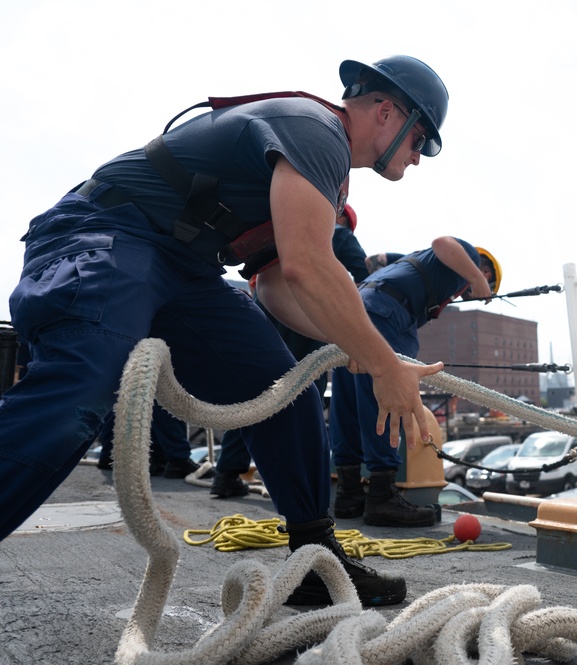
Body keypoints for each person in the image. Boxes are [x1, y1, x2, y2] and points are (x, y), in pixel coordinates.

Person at [1, 55, 449, 608]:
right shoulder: (317, 130)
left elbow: (277, 286)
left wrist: (357, 348)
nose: (418, 157)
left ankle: (315, 560)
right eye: (421, 141)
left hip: (184, 268)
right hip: (107, 231)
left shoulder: (326, 176)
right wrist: (382, 362)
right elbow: (309, 266)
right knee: (87, 378)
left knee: (282, 391)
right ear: (387, 112)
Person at [331, 239, 500, 527]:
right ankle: (382, 497)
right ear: (486, 274)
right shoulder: (468, 257)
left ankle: (349, 494)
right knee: (386, 398)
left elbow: (372, 262)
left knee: (347, 399)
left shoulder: (412, 261)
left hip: (356, 306)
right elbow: (443, 242)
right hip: (388, 314)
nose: (465, 296)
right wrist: (476, 278)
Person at [211, 203, 368, 499]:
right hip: (304, 322)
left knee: (254, 396)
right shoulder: (332, 232)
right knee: (306, 396)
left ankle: (227, 474)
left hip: (265, 316)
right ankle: (302, 483)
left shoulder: (283, 232)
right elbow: (360, 270)